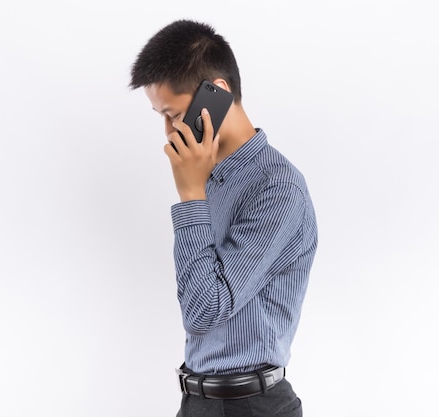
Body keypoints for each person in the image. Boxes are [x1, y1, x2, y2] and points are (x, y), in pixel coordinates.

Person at [129, 19, 318, 417]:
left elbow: (204, 310)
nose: (168, 131)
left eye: (173, 113)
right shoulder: (210, 177)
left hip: (251, 406)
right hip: (199, 401)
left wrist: (190, 196)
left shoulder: (277, 188)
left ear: (216, 92)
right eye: (160, 116)